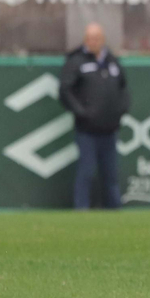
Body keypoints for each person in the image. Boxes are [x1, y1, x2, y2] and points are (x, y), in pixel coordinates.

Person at [58, 22, 129, 210]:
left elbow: (123, 88)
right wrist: (82, 112)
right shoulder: (77, 61)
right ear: (85, 40)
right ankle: (82, 209)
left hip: (110, 128)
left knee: (111, 173)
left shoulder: (112, 62)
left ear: (103, 40)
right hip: (87, 130)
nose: (93, 42)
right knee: (86, 171)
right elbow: (65, 90)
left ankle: (114, 209)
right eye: (90, 38)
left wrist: (120, 110)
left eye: (97, 38)